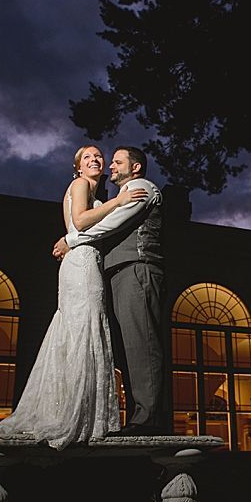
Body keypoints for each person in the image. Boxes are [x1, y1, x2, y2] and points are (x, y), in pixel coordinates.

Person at [0, 145, 148, 450]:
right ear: (78, 167)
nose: (95, 159)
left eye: (99, 156)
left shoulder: (95, 194)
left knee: (85, 328)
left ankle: (86, 415)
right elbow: (79, 221)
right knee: (81, 329)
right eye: (87, 156)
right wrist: (118, 201)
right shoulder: (80, 186)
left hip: (86, 261)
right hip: (80, 264)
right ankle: (72, 415)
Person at [52, 146, 166, 436]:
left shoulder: (140, 188)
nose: (110, 166)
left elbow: (108, 224)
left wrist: (71, 239)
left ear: (136, 167)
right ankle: (139, 416)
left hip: (137, 269)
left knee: (141, 343)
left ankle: (148, 418)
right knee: (127, 348)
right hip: (117, 273)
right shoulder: (113, 194)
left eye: (117, 162)